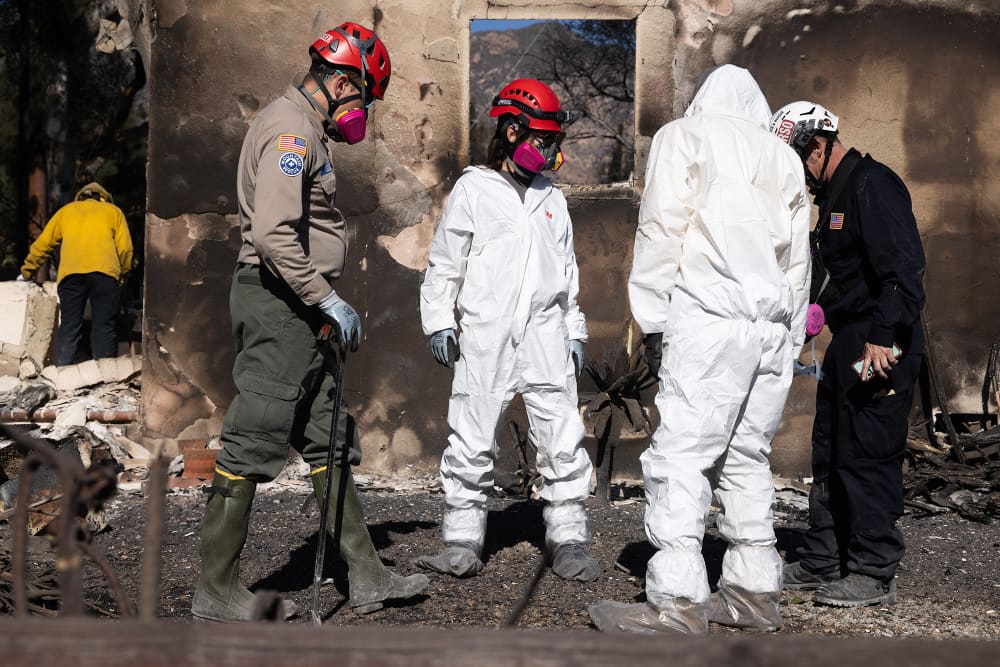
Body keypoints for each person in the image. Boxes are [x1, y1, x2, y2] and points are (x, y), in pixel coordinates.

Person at [191, 22, 428, 623]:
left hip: (300, 304)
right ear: (343, 82)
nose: (363, 111)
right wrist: (324, 298)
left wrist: (320, 301)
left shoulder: (303, 129)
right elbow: (274, 235)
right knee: (254, 435)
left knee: (328, 438)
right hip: (282, 303)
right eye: (364, 96)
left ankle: (367, 576)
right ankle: (215, 591)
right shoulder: (292, 133)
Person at [588, 65, 811, 634]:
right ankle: (753, 593)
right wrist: (789, 337)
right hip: (770, 328)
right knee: (747, 457)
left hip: (709, 320)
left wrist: (654, 320)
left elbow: (661, 229)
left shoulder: (683, 137)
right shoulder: (783, 157)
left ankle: (677, 602)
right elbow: (798, 260)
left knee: (681, 458)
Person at [415, 78, 600, 583]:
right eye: (543, 140)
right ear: (512, 131)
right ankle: (462, 540)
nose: (551, 151)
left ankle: (568, 540)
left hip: (545, 335)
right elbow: (445, 262)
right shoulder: (474, 190)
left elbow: (567, 272)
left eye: (554, 141)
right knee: (472, 435)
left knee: (561, 437)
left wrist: (573, 328)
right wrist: (439, 320)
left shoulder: (551, 198)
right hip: (485, 335)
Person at [769, 101, 926, 607]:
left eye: (795, 161)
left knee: (867, 450)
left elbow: (903, 270)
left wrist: (883, 336)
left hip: (880, 343)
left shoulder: (871, 185)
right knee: (831, 448)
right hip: (849, 340)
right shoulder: (835, 196)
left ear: (816, 146)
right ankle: (824, 557)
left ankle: (874, 568)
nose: (794, 174)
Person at [19, 182, 133, 366]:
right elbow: (126, 249)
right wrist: (123, 273)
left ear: (80, 196)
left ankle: (60, 370)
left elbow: (43, 244)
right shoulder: (114, 212)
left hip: (70, 275)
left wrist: (28, 270)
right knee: (103, 325)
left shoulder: (66, 211)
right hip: (105, 274)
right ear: (104, 197)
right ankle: (105, 373)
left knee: (69, 325)